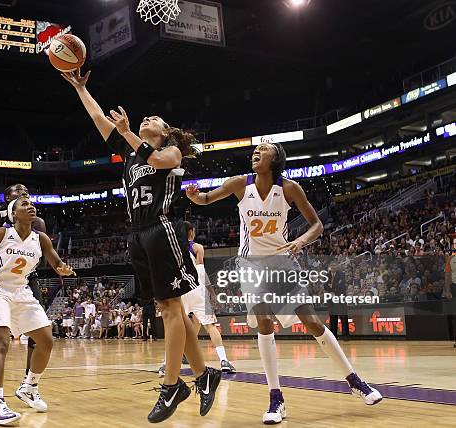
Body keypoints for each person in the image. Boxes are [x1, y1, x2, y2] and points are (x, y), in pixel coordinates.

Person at [63, 68, 221, 423]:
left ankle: (172, 386)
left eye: (154, 119)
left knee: (169, 309)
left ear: (164, 133)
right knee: (173, 311)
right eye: (145, 118)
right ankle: (204, 375)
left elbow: (156, 160)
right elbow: (97, 117)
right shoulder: (131, 152)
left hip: (163, 228)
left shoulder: (172, 153)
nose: (147, 118)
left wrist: (131, 134)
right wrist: (81, 88)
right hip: (137, 233)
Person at [186, 141, 382, 424]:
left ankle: (355, 381)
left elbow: (317, 225)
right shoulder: (241, 183)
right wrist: (195, 197)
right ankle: (275, 398)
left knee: (312, 322)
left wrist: (301, 241)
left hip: (282, 264)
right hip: (251, 264)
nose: (257, 152)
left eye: (264, 149)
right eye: (256, 149)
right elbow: (205, 199)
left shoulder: (289, 189)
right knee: (265, 322)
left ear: (276, 158)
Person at [0, 196, 75, 426]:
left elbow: (56, 263)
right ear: (13, 214)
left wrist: (63, 269)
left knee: (46, 340)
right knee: (1, 343)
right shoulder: (0, 233)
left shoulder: (41, 238)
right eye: (24, 205)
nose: (30, 206)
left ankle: (29, 387)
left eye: (31, 203)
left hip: (22, 292)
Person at [0, 184, 48, 402]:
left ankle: (29, 385)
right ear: (7, 200)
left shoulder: (38, 222)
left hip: (27, 279)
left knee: (40, 333)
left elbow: (42, 251)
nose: (25, 196)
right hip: (0, 278)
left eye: (27, 193)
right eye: (19, 194)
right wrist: (3, 272)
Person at [159, 222, 236, 376]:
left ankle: (165, 364)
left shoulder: (172, 249)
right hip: (197, 290)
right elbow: (201, 273)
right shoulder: (197, 248)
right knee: (210, 326)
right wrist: (212, 293)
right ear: (192, 232)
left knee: (175, 327)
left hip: (181, 291)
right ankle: (224, 361)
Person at [326, 262, 349, 339]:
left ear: (337, 266)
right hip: (331, 298)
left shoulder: (341, 274)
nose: (333, 266)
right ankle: (333, 336)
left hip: (340, 297)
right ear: (330, 267)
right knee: (333, 317)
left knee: (343, 316)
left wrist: (333, 290)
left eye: (334, 265)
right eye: (331, 265)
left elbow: (341, 284)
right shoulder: (327, 275)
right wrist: (331, 290)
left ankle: (345, 335)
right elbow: (325, 285)